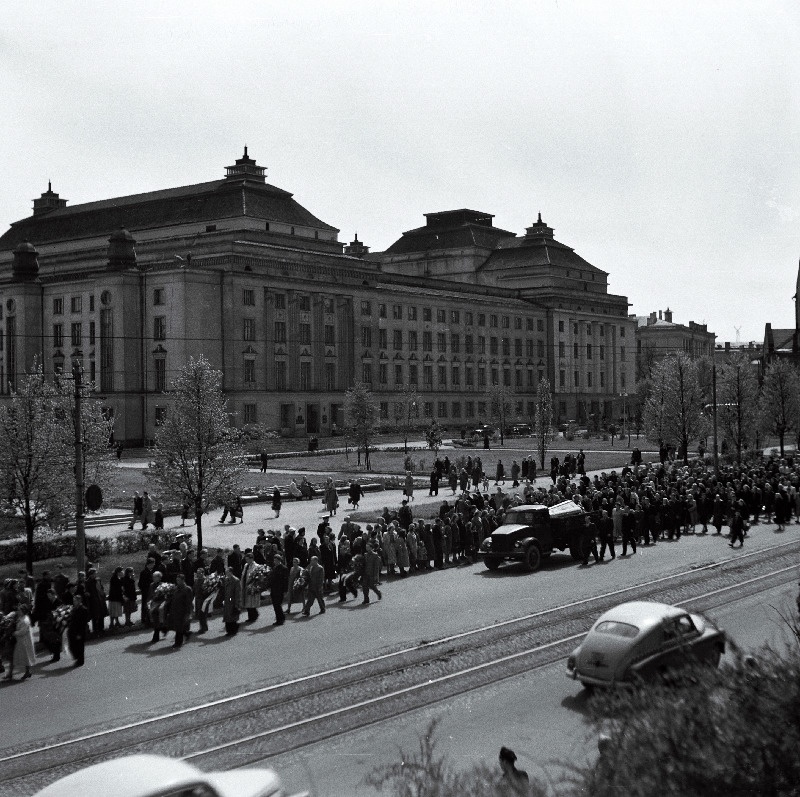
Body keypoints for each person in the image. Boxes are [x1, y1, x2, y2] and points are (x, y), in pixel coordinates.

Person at [6, 604, 35, 681]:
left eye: (20, 610)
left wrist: (13, 633)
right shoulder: (20, 617)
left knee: (26, 656)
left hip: (24, 640)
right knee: (23, 656)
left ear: (23, 611)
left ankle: (27, 671)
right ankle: (25, 671)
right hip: (20, 640)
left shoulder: (25, 620)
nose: (18, 611)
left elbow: (22, 631)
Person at [38, 588, 63, 662]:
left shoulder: (58, 602)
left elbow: (60, 612)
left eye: (50, 595)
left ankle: (56, 656)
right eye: (48, 595)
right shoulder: (49, 602)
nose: (48, 597)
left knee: (55, 641)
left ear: (54, 595)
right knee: (48, 640)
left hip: (56, 623)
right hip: (50, 623)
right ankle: (55, 653)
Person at [170, 573, 193, 648]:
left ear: (183, 580)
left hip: (182, 611)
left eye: (179, 580)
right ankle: (186, 633)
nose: (177, 581)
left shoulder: (187, 589)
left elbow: (189, 602)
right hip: (176, 610)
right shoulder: (176, 588)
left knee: (179, 628)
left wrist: (188, 613)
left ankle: (178, 643)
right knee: (178, 627)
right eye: (177, 580)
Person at [67, 594, 89, 667]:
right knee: (72, 645)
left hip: (80, 631)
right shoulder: (74, 609)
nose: (74, 602)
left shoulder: (83, 609)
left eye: (75, 601)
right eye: (73, 601)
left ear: (79, 601)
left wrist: (80, 634)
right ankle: (77, 658)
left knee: (80, 647)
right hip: (73, 630)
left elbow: (83, 623)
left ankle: (80, 661)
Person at [240, 550, 260, 622]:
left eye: (247, 559)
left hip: (252, 586)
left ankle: (253, 616)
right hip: (245, 585)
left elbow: (256, 576)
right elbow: (243, 574)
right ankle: (252, 615)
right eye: (246, 559)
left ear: (251, 559)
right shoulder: (246, 565)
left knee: (251, 602)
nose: (246, 560)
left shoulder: (256, 566)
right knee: (246, 602)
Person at [222, 567, 242, 636]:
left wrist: (236, 603)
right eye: (226, 572)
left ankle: (233, 630)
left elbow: (237, 593)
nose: (226, 573)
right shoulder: (226, 579)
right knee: (227, 616)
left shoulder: (236, 580)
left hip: (232, 600)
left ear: (231, 572)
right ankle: (229, 630)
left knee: (232, 616)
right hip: (227, 600)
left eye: (227, 572)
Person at [270, 554, 289, 625]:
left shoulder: (284, 568)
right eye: (274, 560)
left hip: (280, 589)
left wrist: (285, 591)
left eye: (276, 560)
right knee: (275, 605)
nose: (275, 562)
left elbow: (286, 580)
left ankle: (281, 619)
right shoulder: (274, 568)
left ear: (279, 560)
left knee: (278, 605)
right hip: (274, 589)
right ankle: (279, 618)